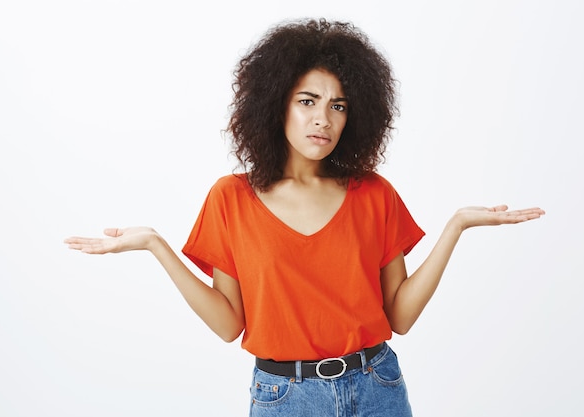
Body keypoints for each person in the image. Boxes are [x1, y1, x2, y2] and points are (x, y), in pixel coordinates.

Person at [65, 18, 545, 417]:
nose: (324, 119)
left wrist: (455, 226)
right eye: (307, 101)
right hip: (284, 397)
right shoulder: (231, 198)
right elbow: (230, 324)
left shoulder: (372, 194)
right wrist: (155, 245)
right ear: (276, 107)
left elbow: (400, 316)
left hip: (378, 387)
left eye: (337, 106)